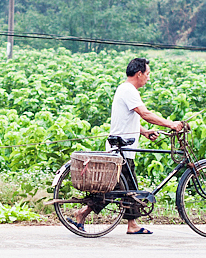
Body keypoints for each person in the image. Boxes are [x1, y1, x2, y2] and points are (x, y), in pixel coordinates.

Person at [73, 57, 184, 234]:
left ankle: (132, 225)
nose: (148, 77)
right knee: (118, 190)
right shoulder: (129, 90)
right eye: (147, 74)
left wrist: (144, 131)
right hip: (120, 149)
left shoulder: (125, 89)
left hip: (125, 147)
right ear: (139, 74)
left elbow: (128, 119)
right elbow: (145, 113)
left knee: (129, 189)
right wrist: (171, 124)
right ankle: (82, 212)